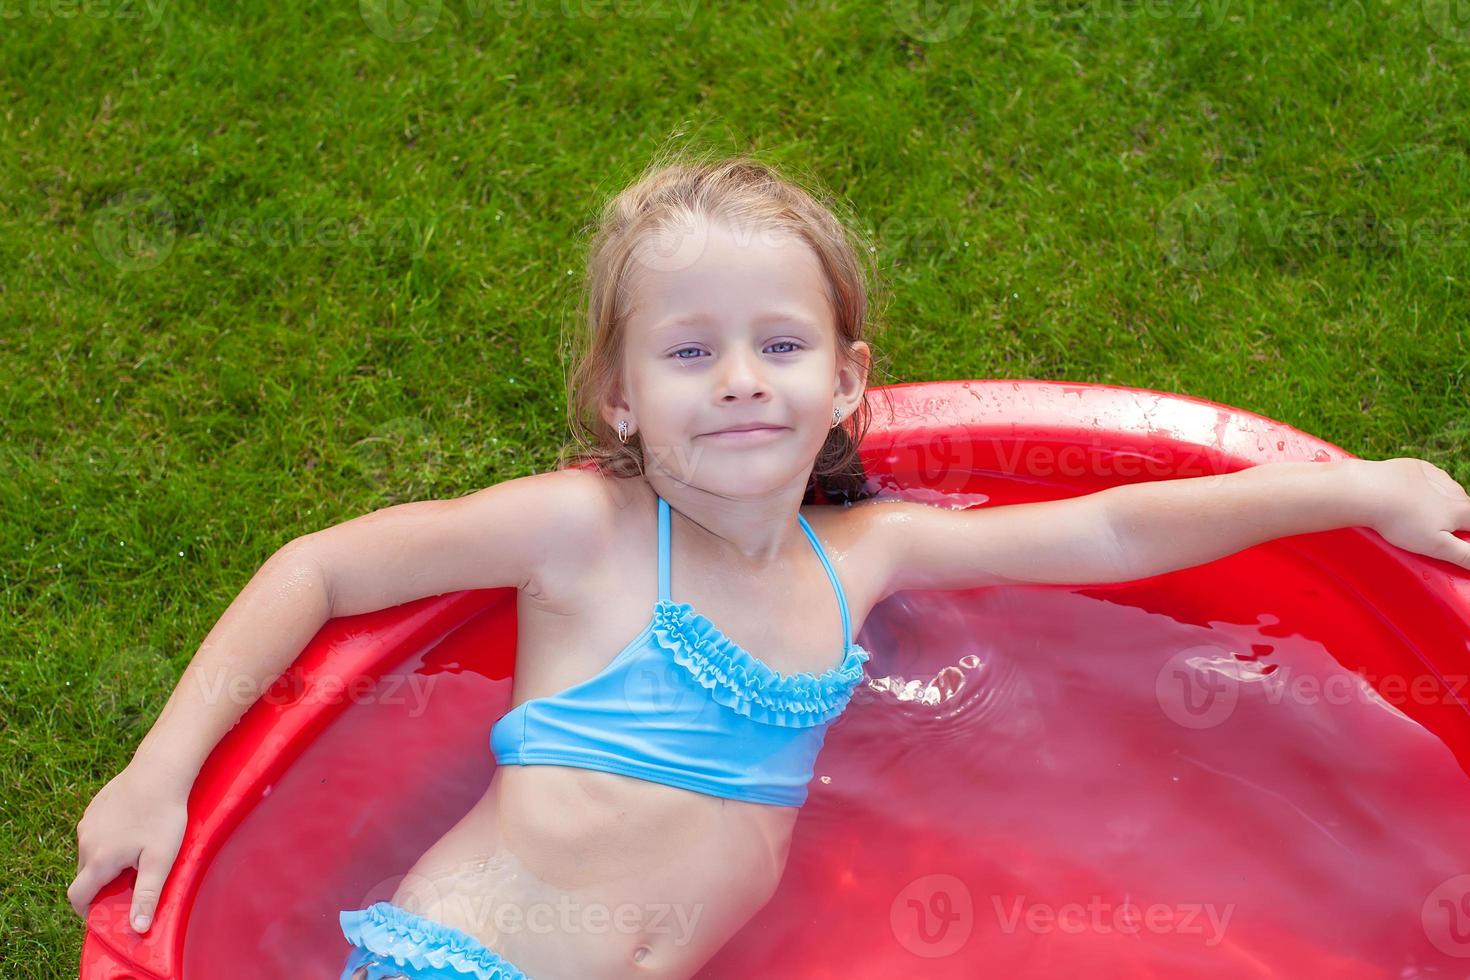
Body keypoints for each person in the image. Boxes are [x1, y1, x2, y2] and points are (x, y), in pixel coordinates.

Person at [68, 149, 1470, 979]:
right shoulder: (589, 531)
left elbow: (1109, 528)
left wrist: (1349, 492)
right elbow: (317, 568)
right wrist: (159, 773)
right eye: (688, 352)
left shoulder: (865, 554)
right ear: (617, 395)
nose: (739, 380)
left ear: (848, 380)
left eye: (780, 346)